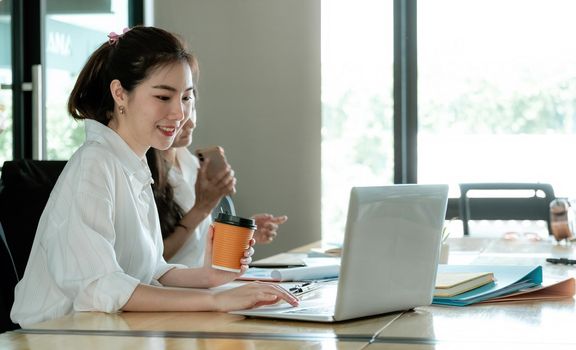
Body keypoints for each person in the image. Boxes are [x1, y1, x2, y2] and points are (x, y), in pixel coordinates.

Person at [10, 26, 298, 327]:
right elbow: (97, 286)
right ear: (120, 93)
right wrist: (214, 300)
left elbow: (150, 271)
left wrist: (209, 277)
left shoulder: (132, 163)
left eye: (186, 98)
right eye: (163, 97)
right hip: (53, 338)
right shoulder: (94, 165)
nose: (179, 113)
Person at [146, 117, 289, 267]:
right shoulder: (143, 175)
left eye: (189, 102)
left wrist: (245, 234)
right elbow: (152, 261)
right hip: (172, 287)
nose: (191, 122)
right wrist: (201, 209)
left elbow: (199, 245)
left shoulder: (194, 165)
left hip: (207, 281)